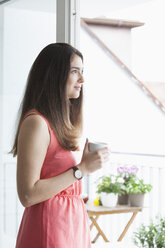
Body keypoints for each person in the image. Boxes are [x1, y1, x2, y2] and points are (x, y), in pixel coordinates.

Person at [10, 43, 110, 248]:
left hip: (70, 225)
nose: (82, 79)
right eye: (75, 71)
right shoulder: (36, 123)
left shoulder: (61, 124)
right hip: (50, 228)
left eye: (82, 72)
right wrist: (82, 170)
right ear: (53, 74)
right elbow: (28, 195)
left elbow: (54, 181)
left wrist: (74, 193)